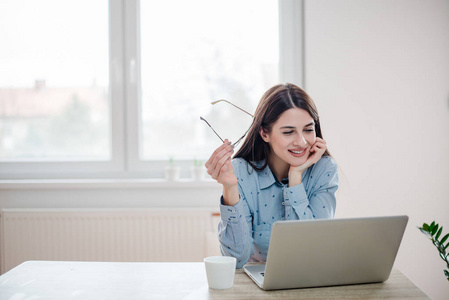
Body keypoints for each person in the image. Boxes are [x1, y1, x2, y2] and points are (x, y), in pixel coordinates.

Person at [205, 83, 339, 269]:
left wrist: (295, 178)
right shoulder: (242, 172)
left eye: (308, 129)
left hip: (308, 282)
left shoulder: (323, 169)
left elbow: (313, 251)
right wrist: (230, 188)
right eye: (288, 132)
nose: (301, 142)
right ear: (264, 133)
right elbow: (236, 259)